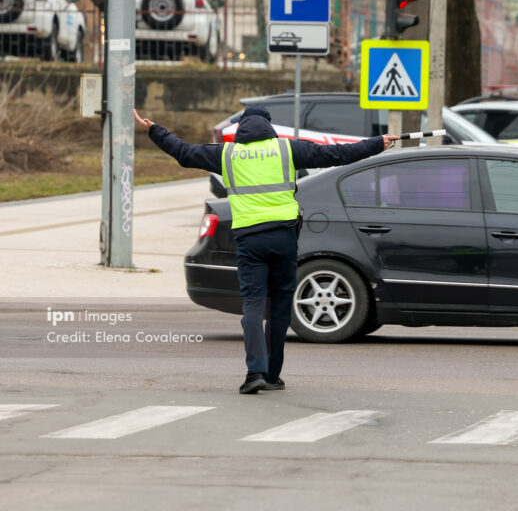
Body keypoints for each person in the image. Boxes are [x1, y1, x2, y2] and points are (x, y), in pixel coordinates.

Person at [134, 106, 400, 394]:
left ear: (241, 127)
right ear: (269, 126)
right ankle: (273, 374)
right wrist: (377, 143)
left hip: (250, 241)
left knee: (252, 304)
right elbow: (337, 155)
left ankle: (255, 372)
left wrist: (154, 130)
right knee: (281, 305)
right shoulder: (286, 150)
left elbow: (184, 153)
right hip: (284, 239)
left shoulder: (226, 154)